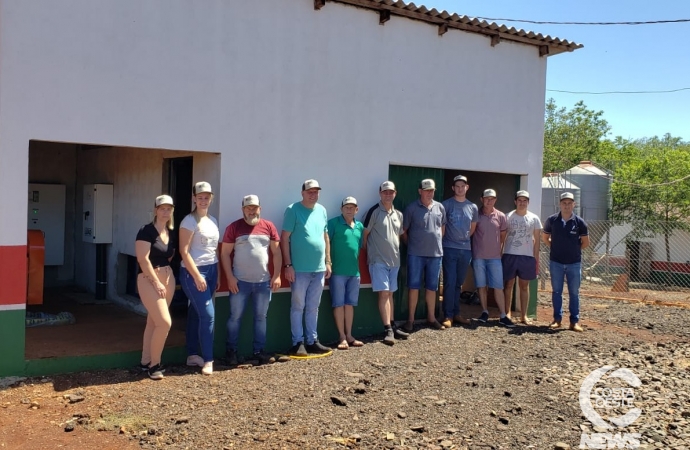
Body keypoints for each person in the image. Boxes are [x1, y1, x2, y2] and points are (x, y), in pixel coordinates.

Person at [221, 195, 281, 366]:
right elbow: (225, 254)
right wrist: (230, 278)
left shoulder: (269, 226)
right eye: (248, 208)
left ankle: (259, 351)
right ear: (243, 210)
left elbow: (276, 253)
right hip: (240, 282)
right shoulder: (234, 227)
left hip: (263, 282)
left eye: (254, 207)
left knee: (261, 317)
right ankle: (231, 352)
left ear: (260, 208)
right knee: (235, 317)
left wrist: (276, 275)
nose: (251, 210)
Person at [281, 179, 332, 356]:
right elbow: (284, 238)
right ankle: (298, 342)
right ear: (302, 192)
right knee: (298, 306)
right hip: (299, 269)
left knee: (313, 306)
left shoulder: (322, 210)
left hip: (318, 268)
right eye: (310, 191)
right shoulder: (293, 210)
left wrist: (328, 261)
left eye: (316, 191)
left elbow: (325, 237)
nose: (313, 194)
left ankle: (312, 340)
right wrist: (288, 265)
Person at [179, 181, 220, 375]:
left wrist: (216, 273)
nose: (203, 200)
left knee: (196, 312)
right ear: (194, 198)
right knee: (208, 314)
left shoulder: (212, 220)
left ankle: (192, 355)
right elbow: (184, 251)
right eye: (200, 197)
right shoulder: (189, 221)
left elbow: (213, 249)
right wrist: (197, 276)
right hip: (193, 272)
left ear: (211, 198)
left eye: (207, 197)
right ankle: (209, 360)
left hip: (211, 270)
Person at [362, 181, 410, 345]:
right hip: (378, 261)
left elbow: (399, 235)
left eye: (391, 192)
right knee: (384, 293)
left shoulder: (399, 214)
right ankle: (387, 329)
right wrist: (369, 255)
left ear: (395, 193)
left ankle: (393, 325)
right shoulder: (373, 212)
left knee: (390, 294)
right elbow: (364, 235)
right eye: (385, 192)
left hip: (394, 261)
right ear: (380, 193)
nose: (388, 195)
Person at [135, 195, 177, 380]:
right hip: (148, 278)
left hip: (168, 276)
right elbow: (143, 259)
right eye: (162, 208)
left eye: (169, 208)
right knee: (164, 322)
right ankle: (155, 365)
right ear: (156, 210)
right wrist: (156, 281)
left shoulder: (170, 232)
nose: (165, 212)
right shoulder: (146, 231)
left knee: (153, 321)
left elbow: (170, 255)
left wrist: (165, 277)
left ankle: (145, 361)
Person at [402, 179, 446, 332]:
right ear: (420, 191)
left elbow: (442, 229)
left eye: (432, 190)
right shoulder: (411, 209)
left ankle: (431, 318)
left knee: (432, 288)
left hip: (435, 255)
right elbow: (404, 232)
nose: (429, 193)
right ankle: (411, 320)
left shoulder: (440, 207)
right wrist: (413, 246)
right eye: (426, 190)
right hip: (416, 255)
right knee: (413, 287)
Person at [541, 192, 590, 332]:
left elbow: (586, 243)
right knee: (557, 292)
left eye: (569, 203)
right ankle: (557, 319)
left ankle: (574, 322)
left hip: (574, 263)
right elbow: (545, 238)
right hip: (556, 262)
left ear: (574, 204)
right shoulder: (552, 220)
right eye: (564, 203)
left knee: (574, 292)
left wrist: (574, 250)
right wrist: (555, 247)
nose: (566, 206)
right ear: (560, 204)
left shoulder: (580, 223)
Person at [472, 189, 514, 327]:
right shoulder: (476, 215)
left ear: (495, 200)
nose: (489, 201)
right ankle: (484, 312)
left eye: (492, 198)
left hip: (495, 258)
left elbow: (502, 237)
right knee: (481, 285)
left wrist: (497, 250)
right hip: (479, 257)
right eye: (486, 198)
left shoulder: (501, 216)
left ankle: (502, 315)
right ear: (481, 199)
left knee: (497, 286)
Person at [440, 175, 478, 328]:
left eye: (463, 186)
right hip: (449, 248)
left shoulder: (472, 207)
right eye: (457, 186)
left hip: (465, 250)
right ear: (453, 188)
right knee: (449, 282)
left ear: (467, 188)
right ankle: (447, 315)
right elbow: (441, 226)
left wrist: (462, 240)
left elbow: (473, 228)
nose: (460, 188)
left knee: (458, 284)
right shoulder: (446, 205)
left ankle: (456, 313)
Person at [328, 197, 364, 350]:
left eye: (352, 207)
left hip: (354, 273)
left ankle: (349, 335)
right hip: (337, 272)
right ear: (341, 209)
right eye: (346, 207)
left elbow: (360, 246)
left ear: (357, 210)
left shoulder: (360, 226)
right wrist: (327, 263)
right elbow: (326, 244)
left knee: (350, 305)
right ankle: (341, 336)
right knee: (339, 304)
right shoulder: (333, 223)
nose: (349, 210)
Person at [502, 190, 542, 325]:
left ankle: (523, 315)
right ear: (515, 201)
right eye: (519, 200)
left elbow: (537, 239)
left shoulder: (534, 218)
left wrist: (535, 257)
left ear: (528, 202)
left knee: (524, 286)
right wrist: (500, 253)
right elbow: (503, 237)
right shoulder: (508, 217)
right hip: (509, 254)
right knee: (508, 285)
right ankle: (507, 312)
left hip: (527, 256)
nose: (522, 203)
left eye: (525, 200)